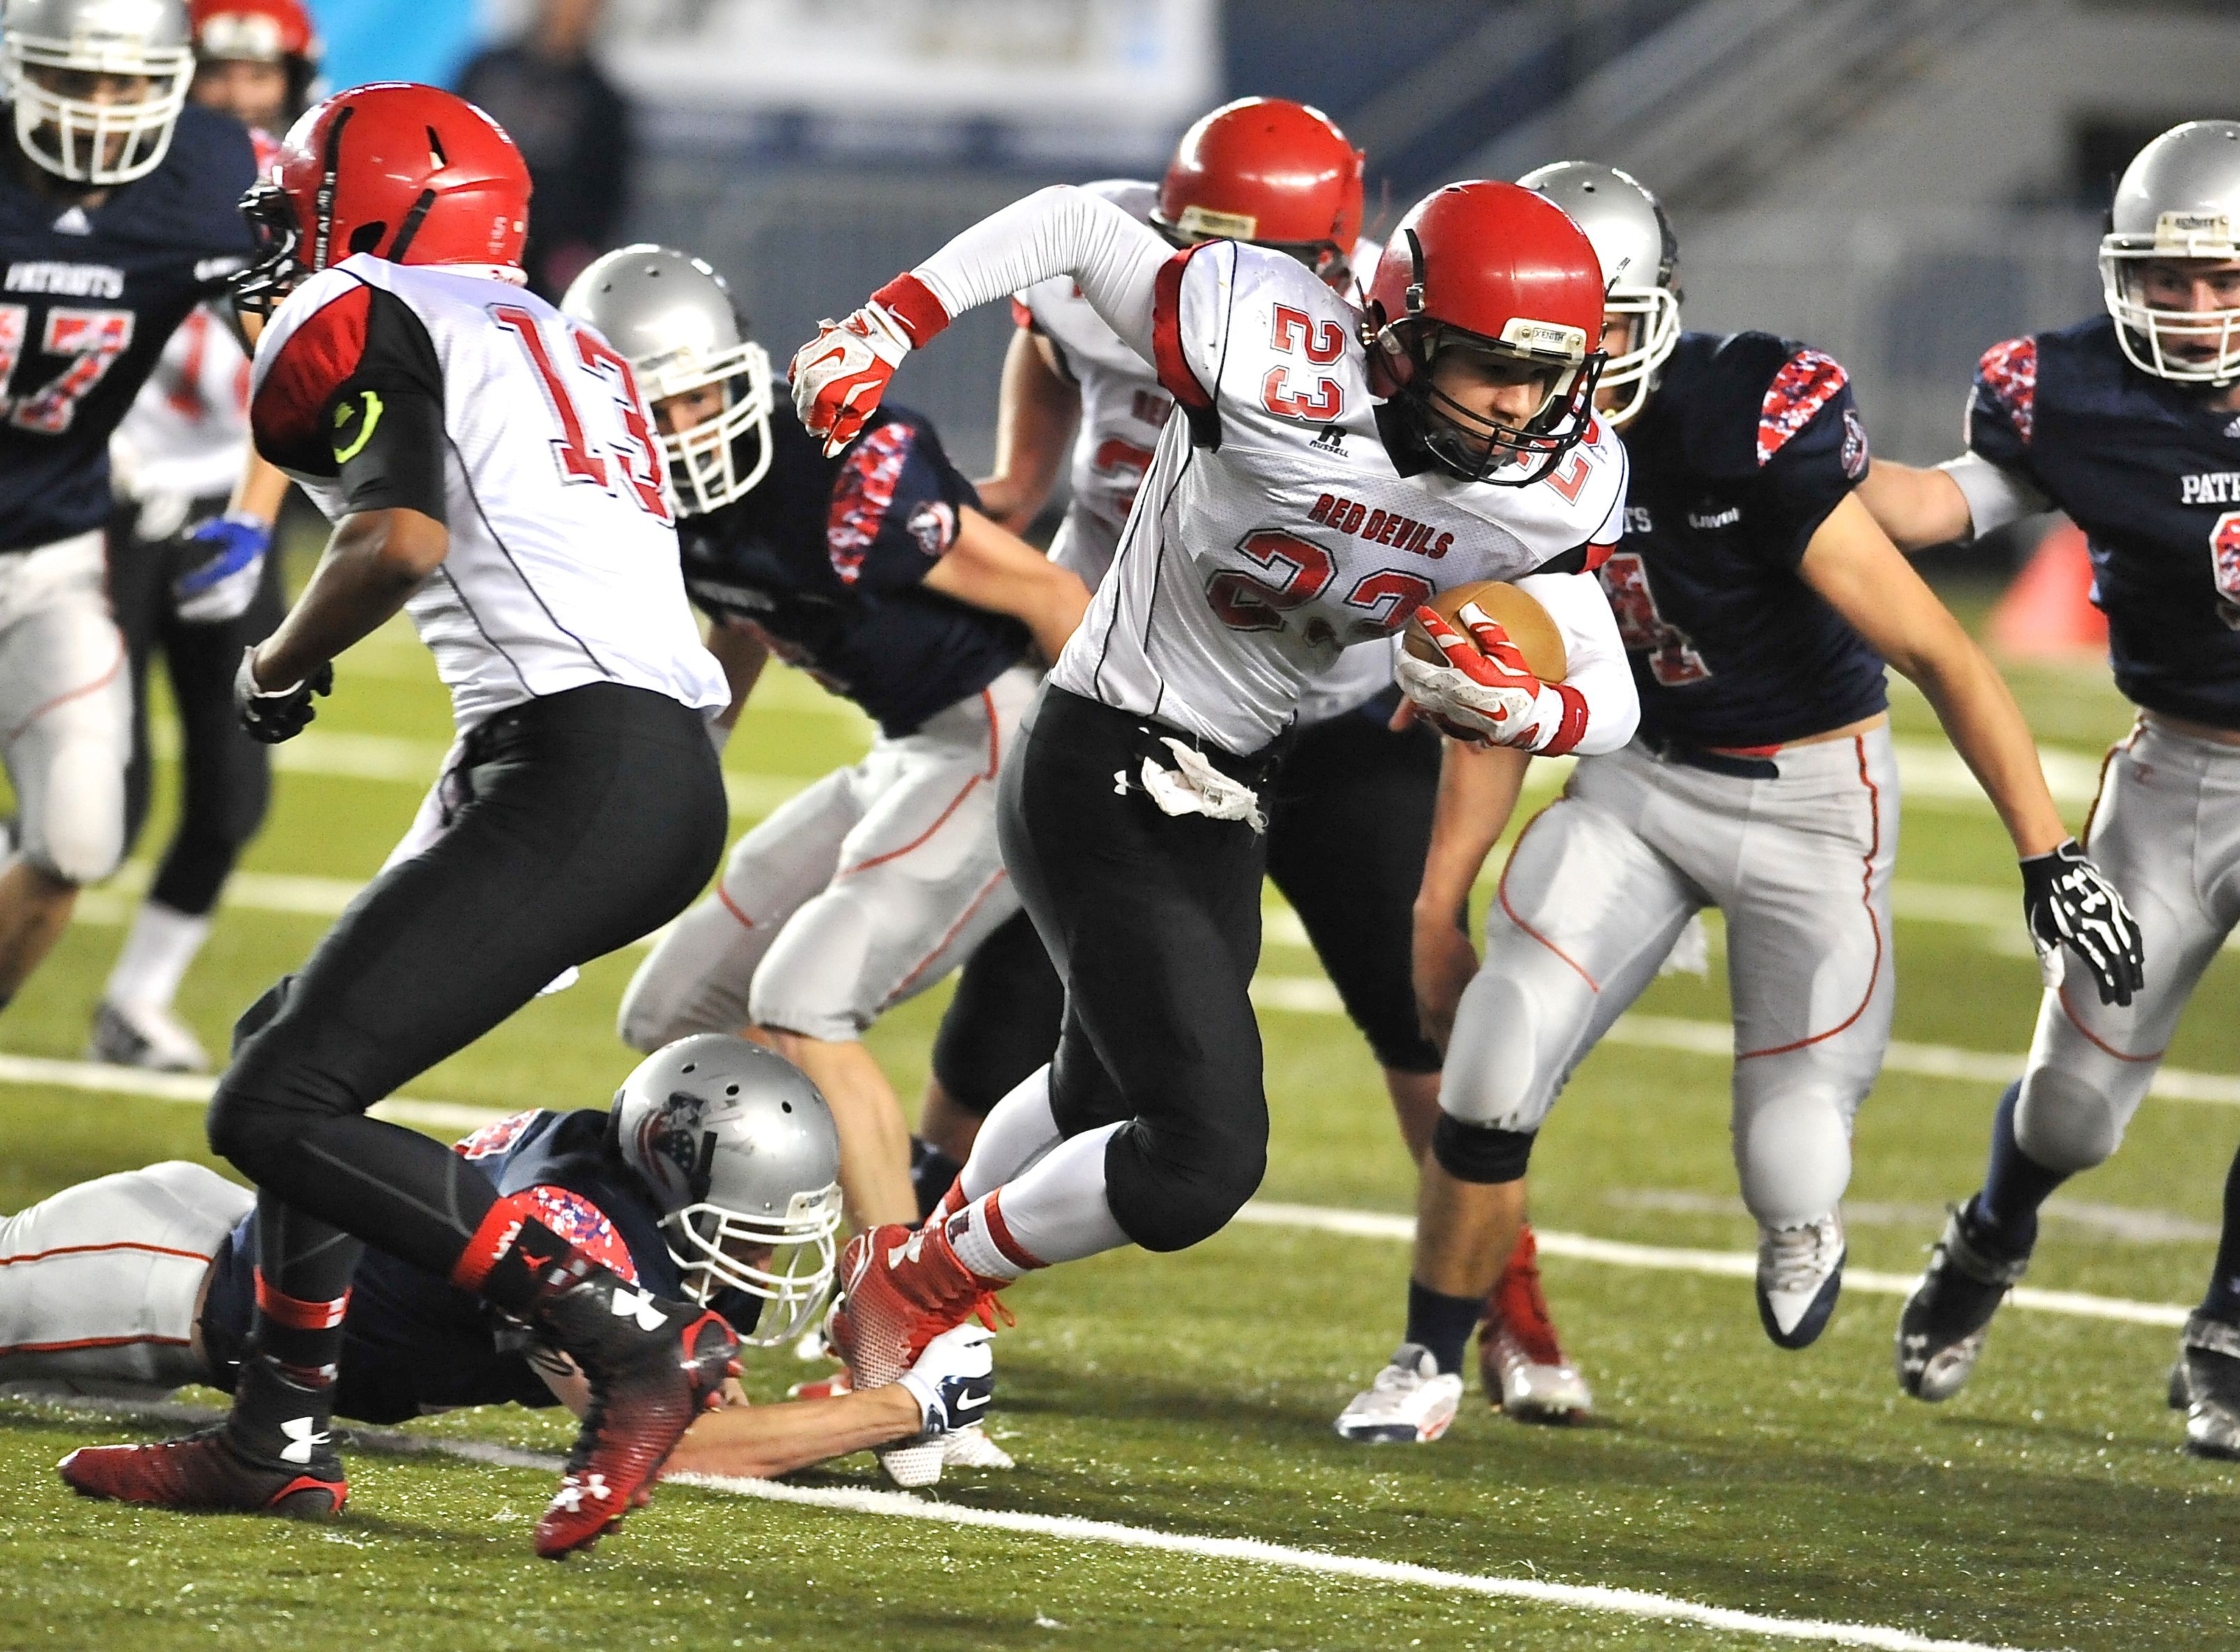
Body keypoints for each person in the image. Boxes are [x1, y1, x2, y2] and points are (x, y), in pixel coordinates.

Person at [788, 176, 1643, 1413]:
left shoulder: (1558, 482)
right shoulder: (1267, 336)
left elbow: (1609, 680)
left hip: (1232, 790)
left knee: (1096, 1092)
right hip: (1106, 752)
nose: (1520, 409)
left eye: (1545, 377)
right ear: (1399, 345)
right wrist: (890, 320)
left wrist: (1536, 712)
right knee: (1197, 1162)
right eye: (1489, 367)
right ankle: (913, 1286)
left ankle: (907, 1285)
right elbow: (1072, 228)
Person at [1328, 162, 2144, 1443]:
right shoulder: (1483, 449)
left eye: (1592, 333)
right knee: (1491, 1049)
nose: (1559, 375)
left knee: (1788, 1156)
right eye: (1522, 349)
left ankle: (1801, 1215)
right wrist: (1439, 900)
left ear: (1649, 316)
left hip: (1809, 797)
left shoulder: (1735, 417)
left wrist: (2045, 853)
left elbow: (1941, 652)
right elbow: (1490, 699)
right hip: (1637, 783)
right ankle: (1429, 1356)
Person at [57, 84, 739, 1561]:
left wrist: (275, 661)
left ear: (364, 212)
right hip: (628, 758)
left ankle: (626, 1341)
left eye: (297, 208)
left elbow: (397, 534)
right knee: (282, 1049)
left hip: (577, 762)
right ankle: (276, 1436)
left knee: (274, 1108)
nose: (278, 243)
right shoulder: (559, 331)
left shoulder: (364, 300)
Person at [565, 244, 1090, 1237]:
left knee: (802, 1000)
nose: (682, 432)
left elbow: (1050, 592)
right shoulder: (657, 504)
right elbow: (746, 602)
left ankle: (908, 1330)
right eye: (652, 410)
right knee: (672, 1013)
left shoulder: (840, 463)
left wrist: (1111, 775)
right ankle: (745, 1253)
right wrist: (699, 741)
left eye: (697, 398)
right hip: (908, 747)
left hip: (998, 732)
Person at [1857, 120, 2240, 1459]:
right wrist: (1800, 476)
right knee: (2073, 1110)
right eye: (2163, 279)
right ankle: (1989, 1230)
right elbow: (1941, 503)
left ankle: (2228, 1327)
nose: (2190, 310)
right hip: (2179, 768)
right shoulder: (2071, 391)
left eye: (2221, 280)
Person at [2, 1037, 997, 1483]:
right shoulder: (573, 1226)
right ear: (678, 1174)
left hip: (218, 1236)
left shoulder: (610, 1170)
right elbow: (677, 1444)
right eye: (753, 1220)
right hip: (161, 1277)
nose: (770, 1250)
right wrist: (905, 1407)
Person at [0, 0, 264, 1021]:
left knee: (77, 839)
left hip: (48, 557)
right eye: (73, 80)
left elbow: (297, 360)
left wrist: (272, 499)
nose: (98, 112)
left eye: (124, 85)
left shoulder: (206, 176)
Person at [92, 0, 323, 1072]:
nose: (236, 95)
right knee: (101, 794)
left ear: (293, 75)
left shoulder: (314, 197)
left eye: (257, 75)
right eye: (217, 74)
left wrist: (251, 513)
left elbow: (295, 380)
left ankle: (135, 1001)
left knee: (235, 792)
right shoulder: (118, 166)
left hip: (233, 500)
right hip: (105, 498)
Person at [454, 0, 632, 300]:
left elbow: (605, 193)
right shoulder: (488, 70)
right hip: (460, 238)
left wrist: (574, 254)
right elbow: (443, 138)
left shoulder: (603, 101)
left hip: (537, 268)